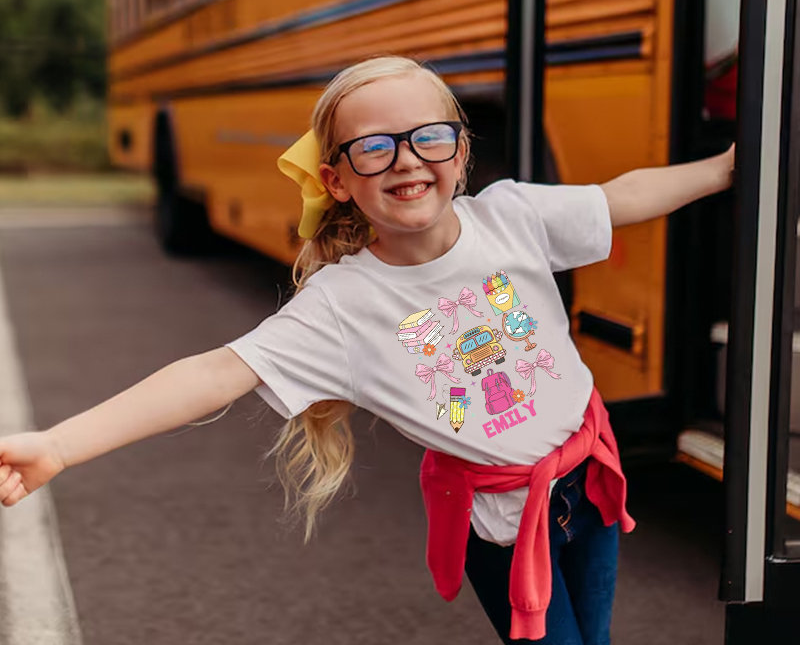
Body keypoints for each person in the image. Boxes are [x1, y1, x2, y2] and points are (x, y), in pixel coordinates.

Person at [0, 56, 735, 644]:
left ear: (461, 151)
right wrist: (59, 445)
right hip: (504, 523)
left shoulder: (513, 215)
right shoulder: (343, 304)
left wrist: (727, 168)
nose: (406, 161)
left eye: (428, 137)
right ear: (338, 180)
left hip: (590, 477)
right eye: (374, 148)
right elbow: (215, 372)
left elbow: (619, 198)